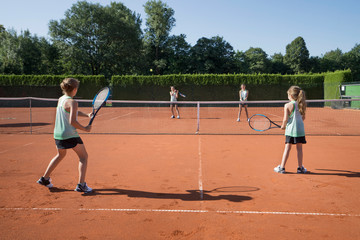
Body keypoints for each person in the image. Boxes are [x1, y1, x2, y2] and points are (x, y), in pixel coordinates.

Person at [37, 78, 93, 193]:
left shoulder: (61, 99)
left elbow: (71, 111)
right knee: (83, 157)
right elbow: (72, 122)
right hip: (70, 135)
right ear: (75, 89)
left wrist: (87, 115)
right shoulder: (73, 102)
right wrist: (85, 128)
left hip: (58, 134)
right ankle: (81, 185)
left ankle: (45, 179)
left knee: (60, 155)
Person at [274, 86, 307, 174]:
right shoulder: (302, 104)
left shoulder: (287, 105)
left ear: (291, 96)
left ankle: (282, 167)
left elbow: (285, 119)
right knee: (299, 149)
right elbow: (303, 118)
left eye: (288, 94)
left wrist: (283, 126)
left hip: (290, 131)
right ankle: (300, 168)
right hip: (300, 130)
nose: (287, 96)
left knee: (287, 148)